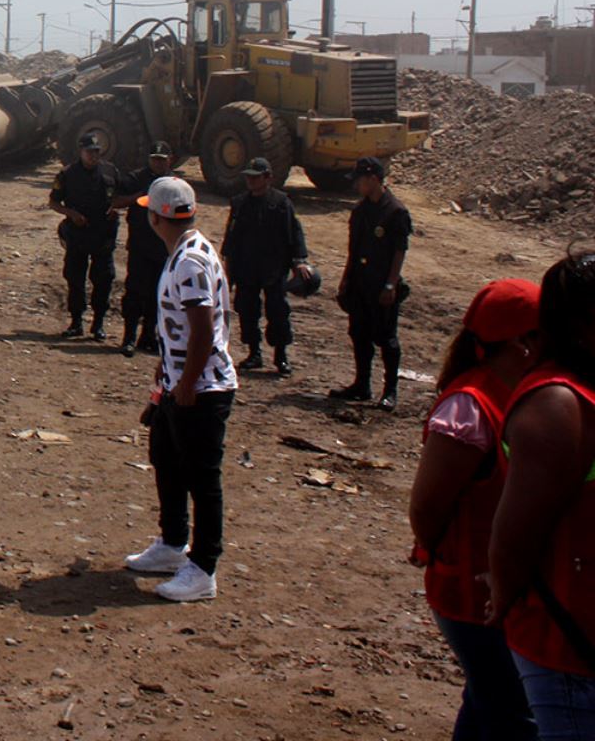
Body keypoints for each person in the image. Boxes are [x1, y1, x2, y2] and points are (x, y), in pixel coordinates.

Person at [408, 279, 541, 741]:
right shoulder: (470, 405)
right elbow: (426, 506)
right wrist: (440, 552)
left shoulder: (520, 392)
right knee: (512, 711)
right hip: (470, 589)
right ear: (522, 344)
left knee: (488, 700)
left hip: (496, 587)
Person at [488, 249, 595, 737]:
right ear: (581, 326)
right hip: (568, 645)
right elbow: (515, 535)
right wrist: (505, 595)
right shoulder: (556, 404)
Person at [123, 176, 236, 602]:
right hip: (180, 381)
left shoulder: (189, 261)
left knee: (201, 478)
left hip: (202, 388)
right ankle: (172, 544)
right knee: (166, 460)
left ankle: (203, 568)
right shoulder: (188, 251)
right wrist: (167, 366)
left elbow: (203, 329)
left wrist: (187, 381)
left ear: (156, 218)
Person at [330, 156, 411, 410]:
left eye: (360, 180)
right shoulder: (360, 211)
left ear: (374, 179)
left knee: (386, 338)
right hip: (360, 282)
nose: (357, 186)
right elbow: (353, 250)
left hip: (381, 283)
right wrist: (346, 280)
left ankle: (390, 390)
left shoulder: (395, 212)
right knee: (359, 333)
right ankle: (362, 384)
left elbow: (399, 251)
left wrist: (390, 285)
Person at [220, 156, 313, 376]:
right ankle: (254, 353)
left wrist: (299, 261)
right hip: (247, 267)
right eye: (248, 177)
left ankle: (281, 356)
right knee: (247, 311)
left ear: (268, 178)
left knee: (278, 312)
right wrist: (228, 271)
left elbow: (294, 233)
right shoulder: (240, 203)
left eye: (255, 177)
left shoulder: (280, 203)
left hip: (273, 268)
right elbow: (231, 238)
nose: (251, 181)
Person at [47, 133, 122, 340]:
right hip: (78, 235)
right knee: (75, 279)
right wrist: (72, 214)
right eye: (89, 152)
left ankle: (98, 324)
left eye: (96, 151)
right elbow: (53, 202)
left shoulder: (110, 171)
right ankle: (76, 322)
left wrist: (116, 208)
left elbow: (120, 195)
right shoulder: (67, 174)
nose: (93, 156)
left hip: (103, 235)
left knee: (104, 279)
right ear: (80, 151)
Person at [116, 141, 174, 357]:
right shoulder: (136, 178)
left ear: (170, 160)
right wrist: (140, 196)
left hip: (163, 248)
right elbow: (116, 201)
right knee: (134, 292)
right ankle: (129, 337)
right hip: (139, 245)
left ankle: (148, 336)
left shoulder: (175, 184)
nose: (157, 163)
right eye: (154, 159)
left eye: (161, 160)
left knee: (158, 295)